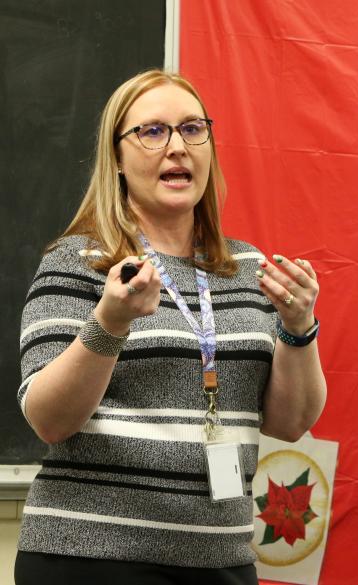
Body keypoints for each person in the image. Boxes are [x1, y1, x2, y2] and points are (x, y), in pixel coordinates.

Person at [14, 69, 327, 584]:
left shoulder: (247, 268)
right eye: (153, 131)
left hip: (222, 561)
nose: (177, 147)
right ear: (117, 157)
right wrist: (109, 324)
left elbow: (289, 423)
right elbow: (48, 419)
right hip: (91, 558)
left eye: (192, 128)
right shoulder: (80, 261)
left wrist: (298, 328)